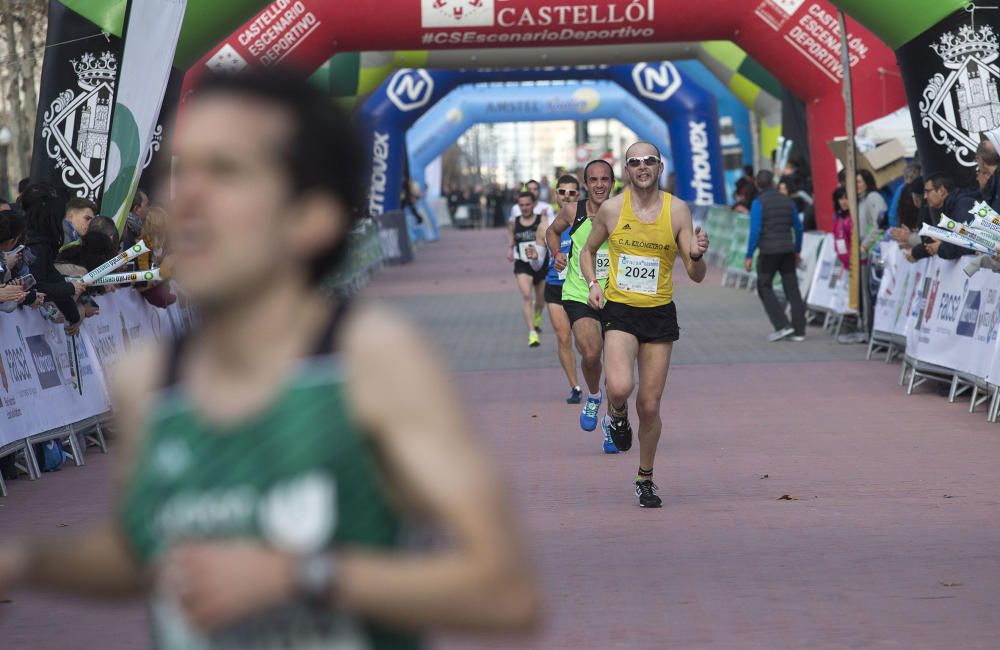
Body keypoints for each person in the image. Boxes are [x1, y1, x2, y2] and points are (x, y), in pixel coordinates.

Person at [0, 70, 541, 648]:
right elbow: (143, 552)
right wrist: (27, 560)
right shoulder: (147, 379)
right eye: (185, 171)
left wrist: (300, 573)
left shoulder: (375, 361)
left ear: (311, 215)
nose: (189, 199)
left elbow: (505, 590)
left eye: (227, 171)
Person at [581, 142, 709, 508]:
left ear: (660, 166)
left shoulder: (677, 210)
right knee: (619, 387)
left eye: (648, 161)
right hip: (620, 309)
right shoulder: (611, 209)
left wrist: (698, 255)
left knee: (650, 406)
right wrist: (593, 285)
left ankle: (645, 478)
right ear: (626, 170)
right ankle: (616, 415)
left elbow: (696, 274)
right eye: (634, 162)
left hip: (659, 314)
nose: (642, 166)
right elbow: (588, 251)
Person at [546, 160, 617, 453]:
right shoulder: (572, 210)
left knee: (617, 368)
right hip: (579, 293)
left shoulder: (624, 210)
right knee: (590, 353)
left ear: (613, 182)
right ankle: (593, 395)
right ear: (586, 184)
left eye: (605, 179)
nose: (600, 185)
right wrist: (556, 254)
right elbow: (552, 232)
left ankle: (612, 425)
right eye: (594, 180)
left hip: (618, 296)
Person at [744, 170, 806, 342]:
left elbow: (755, 230)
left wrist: (749, 255)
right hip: (787, 250)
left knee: (764, 286)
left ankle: (782, 325)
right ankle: (799, 330)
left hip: (768, 252)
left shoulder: (758, 203)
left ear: (757, 184)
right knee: (792, 288)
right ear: (773, 183)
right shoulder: (787, 200)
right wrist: (797, 250)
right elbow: (799, 228)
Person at [537, 174, 582, 403]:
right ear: (556, 195)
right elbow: (538, 263)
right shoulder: (546, 225)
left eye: (572, 192)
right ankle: (575, 386)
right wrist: (534, 257)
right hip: (555, 287)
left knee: (587, 343)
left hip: (582, 288)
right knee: (564, 337)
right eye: (562, 192)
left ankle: (595, 377)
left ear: (578, 195)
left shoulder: (588, 220)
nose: (567, 196)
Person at [20, 184, 85, 332]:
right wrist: (70, 288)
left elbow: (52, 276)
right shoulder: (35, 245)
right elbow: (36, 286)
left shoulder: (42, 242)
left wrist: (73, 316)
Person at [508, 191, 547, 346]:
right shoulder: (513, 222)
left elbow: (548, 238)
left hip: (540, 263)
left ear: (533, 204)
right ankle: (532, 333)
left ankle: (538, 314)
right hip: (522, 263)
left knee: (540, 300)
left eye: (527, 205)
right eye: (521, 205)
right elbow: (511, 240)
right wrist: (509, 250)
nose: (524, 208)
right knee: (527, 297)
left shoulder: (540, 220)